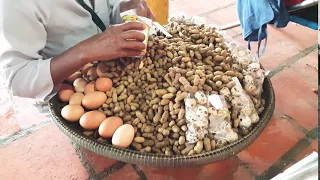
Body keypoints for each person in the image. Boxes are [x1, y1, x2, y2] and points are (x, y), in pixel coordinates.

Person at [0, 0, 155, 116]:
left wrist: (124, 8)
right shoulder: (15, 4)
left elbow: (104, 9)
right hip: (67, 95)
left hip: (108, 74)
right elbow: (17, 78)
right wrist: (85, 51)